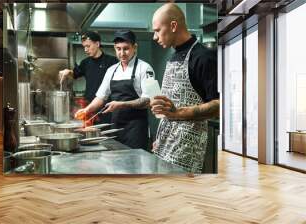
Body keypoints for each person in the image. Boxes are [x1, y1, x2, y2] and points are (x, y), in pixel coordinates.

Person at [150, 3, 219, 173]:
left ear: (173, 26)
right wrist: (160, 137)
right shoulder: (173, 56)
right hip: (164, 144)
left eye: (158, 30)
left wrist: (178, 113)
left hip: (186, 150)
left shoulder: (204, 57)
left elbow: (219, 104)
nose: (154, 36)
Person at [75, 30, 154, 149]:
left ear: (135, 47)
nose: (122, 53)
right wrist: (86, 110)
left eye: (126, 48)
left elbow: (149, 100)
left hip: (136, 128)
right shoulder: (112, 70)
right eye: (118, 49)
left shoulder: (145, 68)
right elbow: (101, 97)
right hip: (115, 126)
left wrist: (121, 104)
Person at [59, 31, 118, 124]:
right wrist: (68, 72)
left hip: (106, 107)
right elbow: (75, 74)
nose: (85, 50)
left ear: (97, 44)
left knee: (105, 135)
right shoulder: (85, 63)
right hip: (89, 106)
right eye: (84, 47)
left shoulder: (112, 61)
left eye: (88, 46)